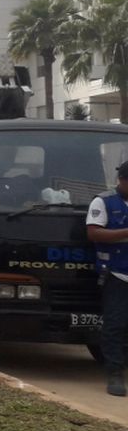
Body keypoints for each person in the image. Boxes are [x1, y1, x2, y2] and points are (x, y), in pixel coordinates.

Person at [87, 160, 128, 396]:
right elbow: (94, 233)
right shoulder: (103, 202)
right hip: (117, 274)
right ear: (122, 181)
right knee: (115, 325)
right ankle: (114, 373)